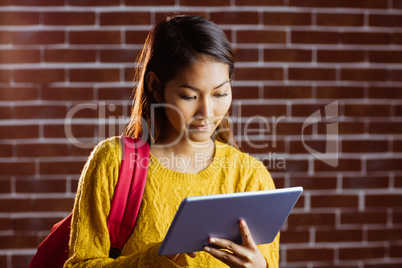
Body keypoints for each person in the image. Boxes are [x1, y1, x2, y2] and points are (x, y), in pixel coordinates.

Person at [64, 15, 279, 268]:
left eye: (220, 93)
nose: (207, 113)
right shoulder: (114, 161)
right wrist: (157, 258)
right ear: (155, 86)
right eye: (189, 96)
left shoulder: (249, 176)